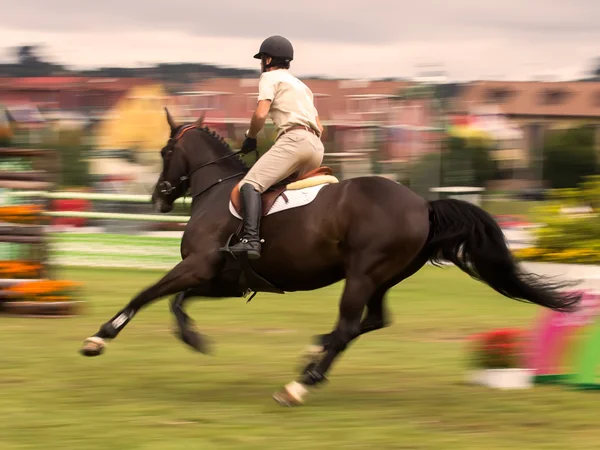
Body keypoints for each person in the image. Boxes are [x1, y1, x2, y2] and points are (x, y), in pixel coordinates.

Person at [223, 35, 325, 260]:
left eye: (262, 60)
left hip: (294, 142)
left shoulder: (269, 78)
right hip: (316, 148)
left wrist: (250, 137)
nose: (261, 64)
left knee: (250, 185)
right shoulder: (303, 86)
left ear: (268, 60)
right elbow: (320, 127)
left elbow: (260, 114)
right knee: (277, 192)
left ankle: (250, 240)